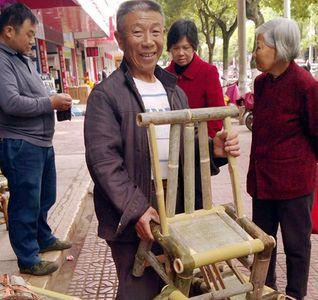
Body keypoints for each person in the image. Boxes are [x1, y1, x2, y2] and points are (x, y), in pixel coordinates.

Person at [84, 1, 240, 299]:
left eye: (155, 31)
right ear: (119, 38)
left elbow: (184, 148)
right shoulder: (106, 96)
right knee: (139, 290)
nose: (148, 41)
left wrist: (214, 149)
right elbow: (104, 161)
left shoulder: (174, 91)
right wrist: (137, 208)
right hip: (133, 207)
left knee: (177, 286)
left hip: (176, 205)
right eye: (137, 31)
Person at [247, 18, 318, 300]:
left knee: (296, 247)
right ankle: (265, 292)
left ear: (280, 49)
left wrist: (301, 166)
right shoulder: (261, 83)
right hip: (263, 183)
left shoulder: (306, 86)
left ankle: (294, 295)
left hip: (294, 187)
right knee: (263, 245)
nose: (255, 53)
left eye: (259, 46)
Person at [0, 3, 73, 276]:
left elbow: (30, 96)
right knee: (25, 202)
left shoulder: (22, 58)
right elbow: (11, 103)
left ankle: (43, 238)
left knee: (44, 196)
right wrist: (50, 102)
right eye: (29, 34)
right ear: (9, 31)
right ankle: (28, 258)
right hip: (20, 143)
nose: (33, 40)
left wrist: (54, 102)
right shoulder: (2, 60)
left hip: (40, 142)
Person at [165, 19, 224, 138]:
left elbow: (217, 115)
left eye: (186, 47)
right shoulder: (164, 75)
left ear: (194, 47)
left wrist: (205, 144)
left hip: (201, 145)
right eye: (176, 48)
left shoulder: (208, 72)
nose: (181, 53)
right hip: (172, 143)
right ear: (170, 49)